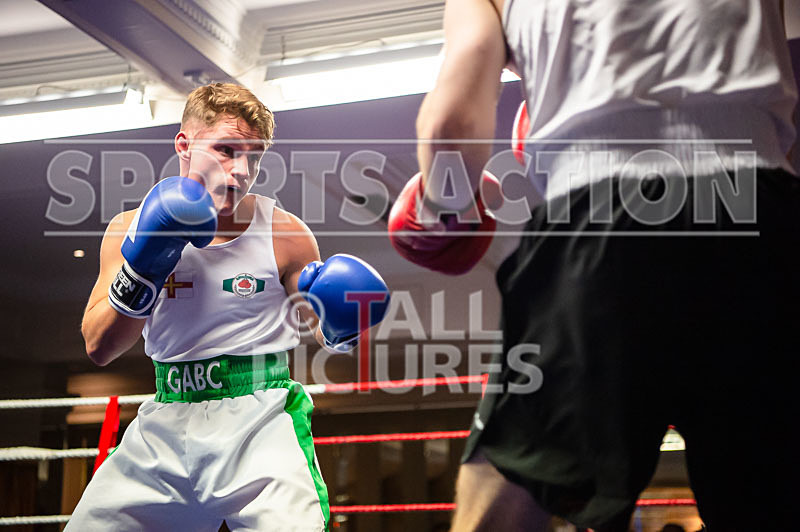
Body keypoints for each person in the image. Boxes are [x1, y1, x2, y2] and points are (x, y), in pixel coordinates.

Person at [390, 0, 799, 530]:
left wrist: (444, 210)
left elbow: (450, 127)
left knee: (502, 503)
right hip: (762, 211)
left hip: (599, 216)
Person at [72, 82, 389, 531]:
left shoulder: (284, 232)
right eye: (226, 149)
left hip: (259, 422)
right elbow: (98, 346)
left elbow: (326, 329)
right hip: (166, 418)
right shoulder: (129, 227)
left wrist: (348, 321)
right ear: (185, 144)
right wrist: (145, 263)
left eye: (253, 157)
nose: (241, 171)